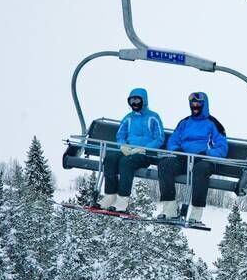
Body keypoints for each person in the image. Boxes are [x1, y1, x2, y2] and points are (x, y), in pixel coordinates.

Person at [157, 91, 227, 223]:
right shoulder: (184, 122)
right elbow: (173, 140)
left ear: (203, 105)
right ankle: (170, 209)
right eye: (193, 104)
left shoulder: (213, 124)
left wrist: (206, 153)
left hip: (204, 160)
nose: (195, 106)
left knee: (200, 171)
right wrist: (177, 151)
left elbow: (222, 148)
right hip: (184, 158)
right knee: (165, 165)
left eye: (198, 104)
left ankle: (196, 214)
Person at [97, 88, 164, 212]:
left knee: (126, 163)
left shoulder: (153, 117)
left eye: (137, 100)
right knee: (110, 159)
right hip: (127, 151)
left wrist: (144, 148)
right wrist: (123, 146)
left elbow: (160, 137)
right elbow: (120, 135)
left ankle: (123, 200)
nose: (134, 103)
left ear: (143, 100)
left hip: (144, 153)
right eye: (132, 100)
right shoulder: (128, 118)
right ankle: (110, 195)